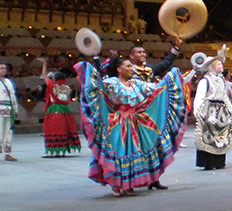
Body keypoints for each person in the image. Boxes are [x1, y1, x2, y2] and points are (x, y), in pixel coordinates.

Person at [75, 56, 186, 196]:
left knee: (134, 152)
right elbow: (99, 88)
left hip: (135, 121)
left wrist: (172, 77)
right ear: (119, 69)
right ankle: (117, 184)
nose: (130, 69)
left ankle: (128, 183)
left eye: (130, 66)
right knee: (121, 152)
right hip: (118, 122)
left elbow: (156, 88)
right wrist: (91, 69)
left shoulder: (135, 83)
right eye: (127, 66)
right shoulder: (112, 82)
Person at [194, 46, 232, 170]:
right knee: (208, 135)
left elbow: (224, 96)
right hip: (209, 110)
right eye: (218, 64)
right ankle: (208, 161)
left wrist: (230, 108)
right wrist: (198, 111)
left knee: (221, 135)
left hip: (221, 112)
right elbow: (200, 97)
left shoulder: (220, 80)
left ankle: (218, 161)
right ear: (211, 66)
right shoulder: (205, 81)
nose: (221, 66)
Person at [37, 57, 81, 157]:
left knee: (52, 129)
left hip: (54, 110)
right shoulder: (67, 88)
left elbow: (44, 75)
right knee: (64, 129)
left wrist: (44, 63)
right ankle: (62, 150)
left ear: (54, 79)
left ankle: (51, 151)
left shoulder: (52, 86)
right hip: (66, 110)